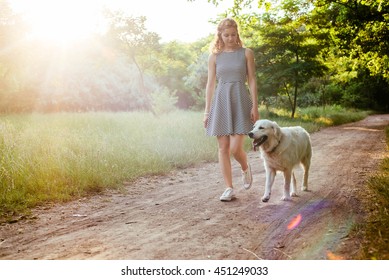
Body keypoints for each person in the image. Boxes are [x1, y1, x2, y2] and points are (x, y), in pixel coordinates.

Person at [203, 18, 259, 201]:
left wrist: (255, 106)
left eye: (233, 34)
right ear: (220, 35)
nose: (230, 38)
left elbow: (251, 80)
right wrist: (207, 111)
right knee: (223, 148)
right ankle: (229, 188)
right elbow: (210, 85)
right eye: (226, 35)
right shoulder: (214, 57)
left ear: (237, 34)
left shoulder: (246, 53)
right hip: (221, 100)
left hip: (240, 99)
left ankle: (245, 167)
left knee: (235, 149)